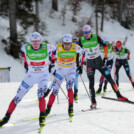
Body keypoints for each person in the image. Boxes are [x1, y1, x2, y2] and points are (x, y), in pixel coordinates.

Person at [0, 32, 55, 127]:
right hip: (31, 75)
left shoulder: (47, 47)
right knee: (17, 97)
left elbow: (55, 50)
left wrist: (52, 64)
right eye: (33, 42)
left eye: (37, 42)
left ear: (40, 41)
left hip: (43, 76)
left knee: (41, 96)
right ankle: (6, 118)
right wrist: (25, 63)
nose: (36, 44)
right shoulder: (26, 48)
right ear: (31, 42)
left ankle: (42, 117)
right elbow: (23, 53)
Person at [79, 24, 128, 109]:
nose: (86, 34)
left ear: (90, 31)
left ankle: (119, 95)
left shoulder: (96, 37)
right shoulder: (81, 40)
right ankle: (93, 102)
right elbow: (76, 50)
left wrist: (105, 56)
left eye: (87, 32)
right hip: (90, 63)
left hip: (99, 62)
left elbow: (105, 46)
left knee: (109, 78)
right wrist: (78, 64)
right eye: (84, 32)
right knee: (91, 83)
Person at [44, 33, 85, 118]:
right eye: (65, 44)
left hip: (71, 70)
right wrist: (51, 65)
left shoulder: (75, 47)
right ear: (62, 42)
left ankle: (70, 108)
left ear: (71, 43)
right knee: (55, 90)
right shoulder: (58, 47)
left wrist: (81, 66)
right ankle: (48, 108)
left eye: (68, 44)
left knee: (69, 88)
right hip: (60, 71)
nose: (66, 46)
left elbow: (83, 53)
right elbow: (52, 54)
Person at [72, 37, 80, 102]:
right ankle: (70, 94)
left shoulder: (79, 49)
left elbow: (79, 59)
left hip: (76, 67)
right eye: (74, 42)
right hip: (69, 67)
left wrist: (80, 66)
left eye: (76, 42)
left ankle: (75, 93)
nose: (75, 44)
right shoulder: (70, 48)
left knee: (76, 81)